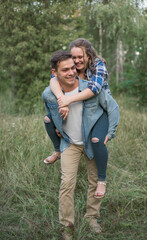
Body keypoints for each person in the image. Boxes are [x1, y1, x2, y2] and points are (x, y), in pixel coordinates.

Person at [42, 51, 119, 239]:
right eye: (65, 70)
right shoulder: (49, 94)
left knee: (95, 181)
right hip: (69, 143)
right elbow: (49, 115)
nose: (71, 72)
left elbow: (112, 107)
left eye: (73, 68)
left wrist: (109, 133)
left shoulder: (90, 89)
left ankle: (92, 218)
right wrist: (57, 127)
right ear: (55, 73)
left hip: (91, 142)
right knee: (67, 184)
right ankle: (67, 226)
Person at [44, 38, 112, 199]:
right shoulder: (71, 69)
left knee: (96, 143)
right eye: (73, 57)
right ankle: (57, 148)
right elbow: (53, 79)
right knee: (47, 119)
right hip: (74, 125)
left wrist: (68, 100)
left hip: (98, 114)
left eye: (80, 57)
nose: (76, 61)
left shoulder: (97, 66)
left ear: (88, 55)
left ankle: (100, 187)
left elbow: (94, 89)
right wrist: (63, 100)